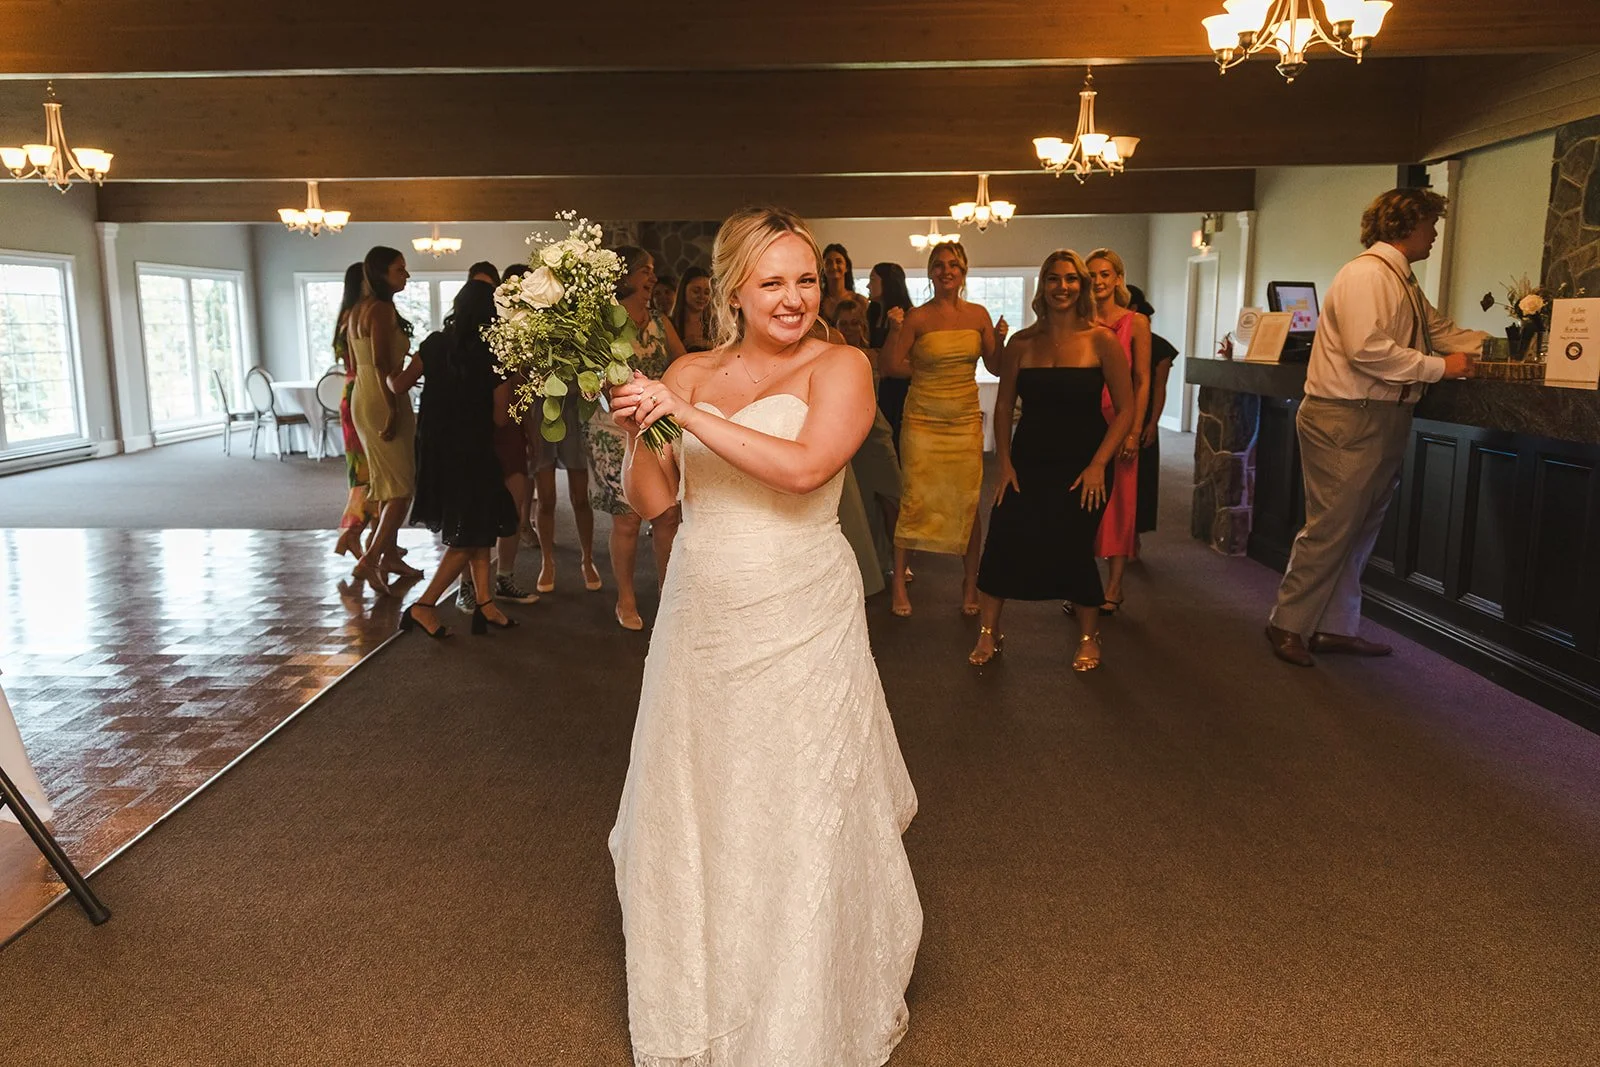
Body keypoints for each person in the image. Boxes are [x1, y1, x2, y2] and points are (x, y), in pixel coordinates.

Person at [606, 205, 920, 1066]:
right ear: (735, 287)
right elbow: (657, 501)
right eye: (773, 281)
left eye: (806, 279)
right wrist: (639, 432)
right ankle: (707, 990)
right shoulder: (690, 369)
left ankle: (802, 1010)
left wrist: (687, 413)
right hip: (704, 611)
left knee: (800, 801)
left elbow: (806, 467)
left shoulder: (842, 364)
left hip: (800, 612)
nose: (792, 298)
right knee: (705, 797)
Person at [1266, 187, 1481, 666]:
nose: (1435, 233)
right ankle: (1286, 624)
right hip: (1348, 416)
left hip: (1378, 418)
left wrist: (1508, 347)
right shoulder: (1367, 276)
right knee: (1332, 528)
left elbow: (1441, 331)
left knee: (1359, 529)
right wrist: (1440, 368)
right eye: (1431, 223)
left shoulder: (1400, 278)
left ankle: (1332, 628)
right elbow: (1368, 350)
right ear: (1407, 225)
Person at [971, 251, 1134, 669]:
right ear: (1042, 286)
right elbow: (1005, 407)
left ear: (1082, 286)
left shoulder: (1102, 340)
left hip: (1084, 463)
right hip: (1028, 459)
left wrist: (1100, 463)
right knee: (1004, 537)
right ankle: (989, 632)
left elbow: (1126, 409)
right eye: (1053, 280)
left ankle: (1088, 635)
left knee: (1074, 544)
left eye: (1071, 280)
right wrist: (1004, 463)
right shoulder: (1022, 343)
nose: (1063, 287)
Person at [881, 242, 1000, 618]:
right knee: (914, 496)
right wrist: (896, 332)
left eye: (953, 265)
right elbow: (891, 366)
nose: (946, 271)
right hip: (923, 420)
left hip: (964, 419)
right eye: (938, 265)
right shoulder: (917, 317)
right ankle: (900, 580)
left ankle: (970, 581)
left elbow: (996, 367)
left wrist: (1002, 335)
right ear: (930, 272)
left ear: (963, 271)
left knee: (967, 498)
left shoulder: (979, 315)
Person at [403, 280, 522, 637]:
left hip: (437, 451)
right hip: (473, 452)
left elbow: (402, 382)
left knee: (479, 526)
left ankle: (484, 604)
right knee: (469, 534)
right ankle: (424, 605)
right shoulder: (494, 355)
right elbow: (501, 418)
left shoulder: (435, 343)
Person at [582, 246, 687, 630]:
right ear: (624, 276)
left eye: (653, 270)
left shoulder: (660, 320)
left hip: (659, 425)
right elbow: (587, 384)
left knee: (669, 514)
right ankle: (625, 598)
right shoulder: (598, 326)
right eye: (646, 270)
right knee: (626, 518)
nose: (653, 278)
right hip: (612, 431)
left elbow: (682, 363)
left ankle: (667, 592)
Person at [348, 247, 424, 596]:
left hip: (362, 394)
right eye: (399, 270)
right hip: (383, 396)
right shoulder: (380, 308)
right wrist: (393, 408)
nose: (405, 276)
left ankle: (390, 554)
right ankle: (372, 558)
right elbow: (380, 362)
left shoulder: (356, 309)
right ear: (381, 273)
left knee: (386, 482)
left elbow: (363, 362)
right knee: (401, 486)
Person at [1085, 248, 1151, 615]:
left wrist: (1134, 429)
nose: (1098, 281)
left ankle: (1114, 586)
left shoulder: (1135, 322)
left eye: (1105, 274)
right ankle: (1082, 581)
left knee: (1120, 501)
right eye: (1092, 274)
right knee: (1083, 503)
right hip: (1083, 422)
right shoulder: (1079, 321)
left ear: (1118, 278)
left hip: (1120, 420)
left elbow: (1141, 379)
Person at [835, 295, 902, 576]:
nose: (850, 329)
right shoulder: (833, 358)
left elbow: (893, 366)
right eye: (844, 324)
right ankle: (870, 564)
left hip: (877, 432)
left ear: (862, 324)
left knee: (893, 497)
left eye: (854, 323)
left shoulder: (874, 354)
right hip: (849, 436)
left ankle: (900, 564)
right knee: (862, 505)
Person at [331, 262, 379, 562]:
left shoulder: (344, 317)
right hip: (364, 390)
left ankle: (363, 534)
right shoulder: (362, 316)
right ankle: (353, 531)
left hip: (349, 392)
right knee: (370, 472)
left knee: (364, 470)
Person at [1129, 285, 1178, 542]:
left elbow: (1159, 389)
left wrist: (1152, 423)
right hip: (1115, 412)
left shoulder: (1159, 348)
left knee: (1142, 479)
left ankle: (1134, 536)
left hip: (1144, 414)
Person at [867, 262, 915, 447]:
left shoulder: (908, 316)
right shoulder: (873, 313)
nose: (868, 285)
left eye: (872, 279)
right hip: (880, 387)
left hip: (901, 389)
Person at [672, 266, 715, 352]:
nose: (702, 297)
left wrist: (707, 344)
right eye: (696, 291)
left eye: (706, 293)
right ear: (683, 290)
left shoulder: (714, 324)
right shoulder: (671, 324)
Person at [819, 242, 857, 324]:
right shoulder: (818, 302)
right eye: (828, 262)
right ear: (823, 268)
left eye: (838, 262)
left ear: (847, 267)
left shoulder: (860, 301)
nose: (833, 266)